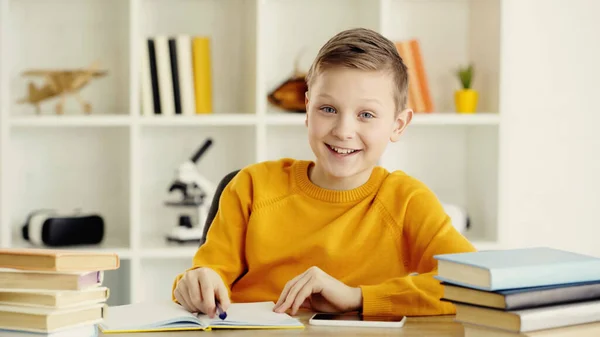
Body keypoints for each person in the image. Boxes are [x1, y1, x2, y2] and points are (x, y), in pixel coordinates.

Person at [171, 27, 476, 319]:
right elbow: (207, 274)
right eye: (328, 109)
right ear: (307, 109)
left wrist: (357, 297)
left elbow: (473, 283)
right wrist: (197, 281)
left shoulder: (406, 201)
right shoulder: (251, 187)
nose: (343, 131)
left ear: (398, 125)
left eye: (366, 115)